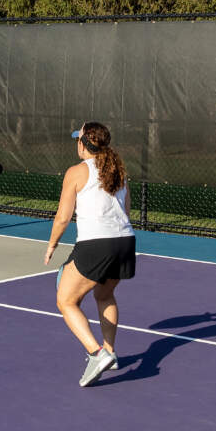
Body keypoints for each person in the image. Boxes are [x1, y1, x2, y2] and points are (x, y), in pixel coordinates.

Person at [44, 121, 137, 387]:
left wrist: (51, 245)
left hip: (98, 245)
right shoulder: (119, 171)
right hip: (125, 242)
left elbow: (62, 218)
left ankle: (97, 354)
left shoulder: (75, 172)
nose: (76, 143)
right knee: (104, 294)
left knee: (66, 300)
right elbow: (126, 210)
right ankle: (110, 351)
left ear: (84, 143)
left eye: (78, 139)